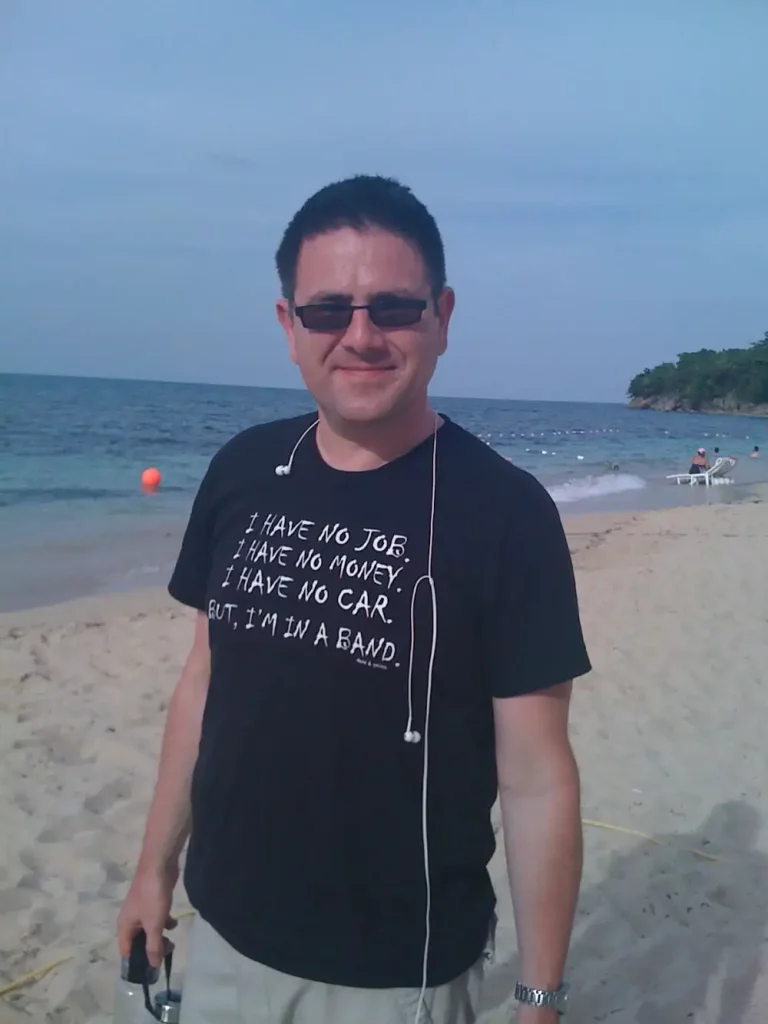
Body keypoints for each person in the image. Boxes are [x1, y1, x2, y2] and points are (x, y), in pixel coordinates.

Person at [117, 175, 591, 1024]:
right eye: (328, 310)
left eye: (394, 308)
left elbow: (536, 779)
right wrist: (153, 871)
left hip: (394, 977)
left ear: (442, 317)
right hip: (221, 935)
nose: (361, 336)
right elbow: (203, 684)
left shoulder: (508, 514)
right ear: (288, 325)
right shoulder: (242, 469)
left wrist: (539, 995)